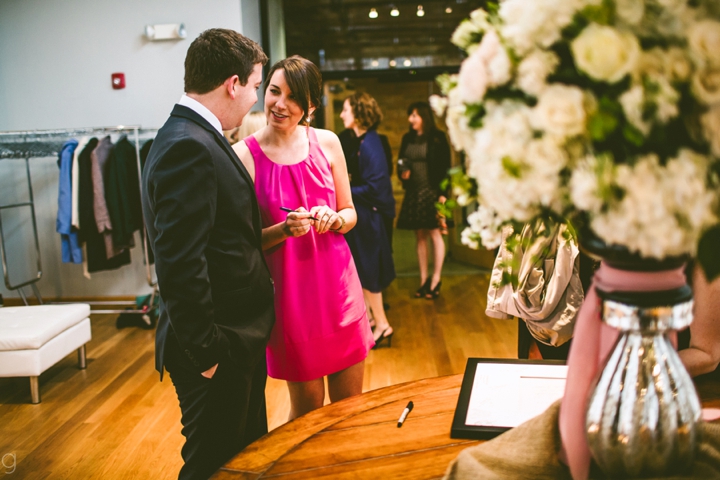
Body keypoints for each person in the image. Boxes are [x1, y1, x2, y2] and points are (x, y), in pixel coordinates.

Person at [141, 29, 281, 480]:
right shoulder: (188, 144)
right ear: (232, 83)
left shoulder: (199, 133)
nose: (257, 98)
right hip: (218, 343)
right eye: (257, 85)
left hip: (235, 336)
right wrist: (208, 354)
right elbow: (180, 261)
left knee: (241, 460)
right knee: (211, 465)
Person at [233, 55, 374, 420]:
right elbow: (243, 243)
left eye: (293, 97)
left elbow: (350, 212)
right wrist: (283, 230)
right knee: (308, 412)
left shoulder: (327, 143)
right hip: (291, 302)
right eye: (274, 91)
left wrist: (335, 218)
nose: (279, 104)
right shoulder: (243, 157)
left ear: (311, 105)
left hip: (340, 293)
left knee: (349, 409)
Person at [339, 92, 396, 347]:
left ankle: (383, 325)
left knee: (370, 271)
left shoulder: (370, 143)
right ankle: (374, 319)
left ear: (359, 113)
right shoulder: (364, 140)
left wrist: (344, 191)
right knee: (364, 269)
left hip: (370, 216)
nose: (342, 115)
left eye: (345, 110)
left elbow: (376, 187)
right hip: (365, 215)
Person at [396, 101, 451, 299]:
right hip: (414, 191)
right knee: (419, 236)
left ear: (424, 117)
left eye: (414, 115)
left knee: (435, 233)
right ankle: (423, 280)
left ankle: (436, 279)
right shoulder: (407, 138)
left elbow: (446, 168)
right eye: (410, 115)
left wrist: (444, 194)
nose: (411, 119)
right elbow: (401, 162)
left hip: (432, 191)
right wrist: (402, 173)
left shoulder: (438, 138)